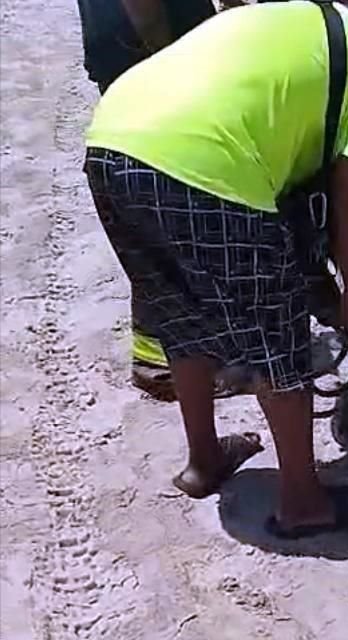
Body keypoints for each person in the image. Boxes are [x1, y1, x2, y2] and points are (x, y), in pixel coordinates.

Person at [84, 0, 348, 537]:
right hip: (205, 160)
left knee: (177, 307)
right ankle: (304, 504)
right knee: (277, 334)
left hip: (111, 139)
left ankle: (204, 460)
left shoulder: (291, 19)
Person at [77, 0, 218, 399]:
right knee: (170, 203)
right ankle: (163, 360)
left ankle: (162, 350)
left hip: (125, 49)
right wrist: (168, 61)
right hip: (147, 52)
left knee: (154, 201)